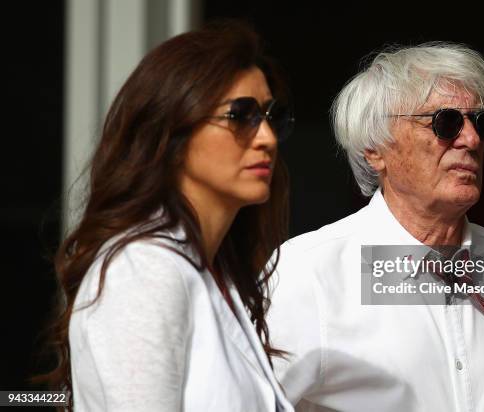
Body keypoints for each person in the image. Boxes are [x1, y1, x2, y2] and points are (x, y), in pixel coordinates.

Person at [266, 43, 484, 411]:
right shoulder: (307, 272)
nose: (471, 140)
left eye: (482, 122)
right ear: (375, 149)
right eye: (446, 121)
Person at [42, 20, 295, 411]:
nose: (266, 138)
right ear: (173, 128)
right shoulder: (144, 268)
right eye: (240, 115)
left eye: (270, 116)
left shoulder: (212, 273)